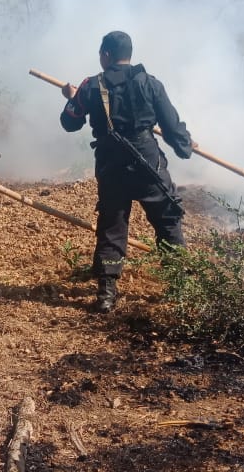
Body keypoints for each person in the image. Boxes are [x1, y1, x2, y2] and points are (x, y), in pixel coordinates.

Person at [60, 30, 195, 313]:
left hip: (111, 164)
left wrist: (72, 98)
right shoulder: (150, 83)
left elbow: (70, 122)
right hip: (148, 162)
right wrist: (185, 146)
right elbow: (171, 126)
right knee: (167, 220)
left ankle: (106, 292)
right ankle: (180, 287)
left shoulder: (91, 86)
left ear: (106, 55)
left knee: (112, 226)